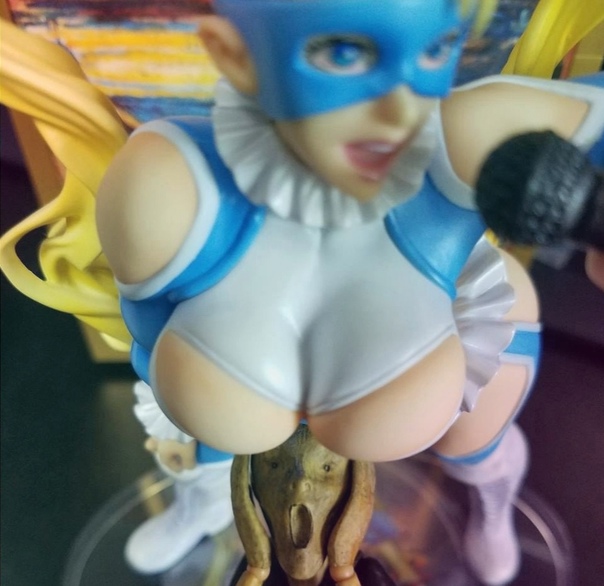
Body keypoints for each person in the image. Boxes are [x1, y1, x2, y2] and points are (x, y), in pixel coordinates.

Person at [94, 1, 604, 584]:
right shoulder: (169, 185)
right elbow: (148, 334)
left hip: (468, 324)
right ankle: (201, 506)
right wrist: (207, 403)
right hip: (224, 402)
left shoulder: (462, 146)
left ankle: (492, 509)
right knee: (196, 443)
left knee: (474, 447)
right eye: (343, 54)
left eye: (433, 50)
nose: (401, 112)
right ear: (232, 54)